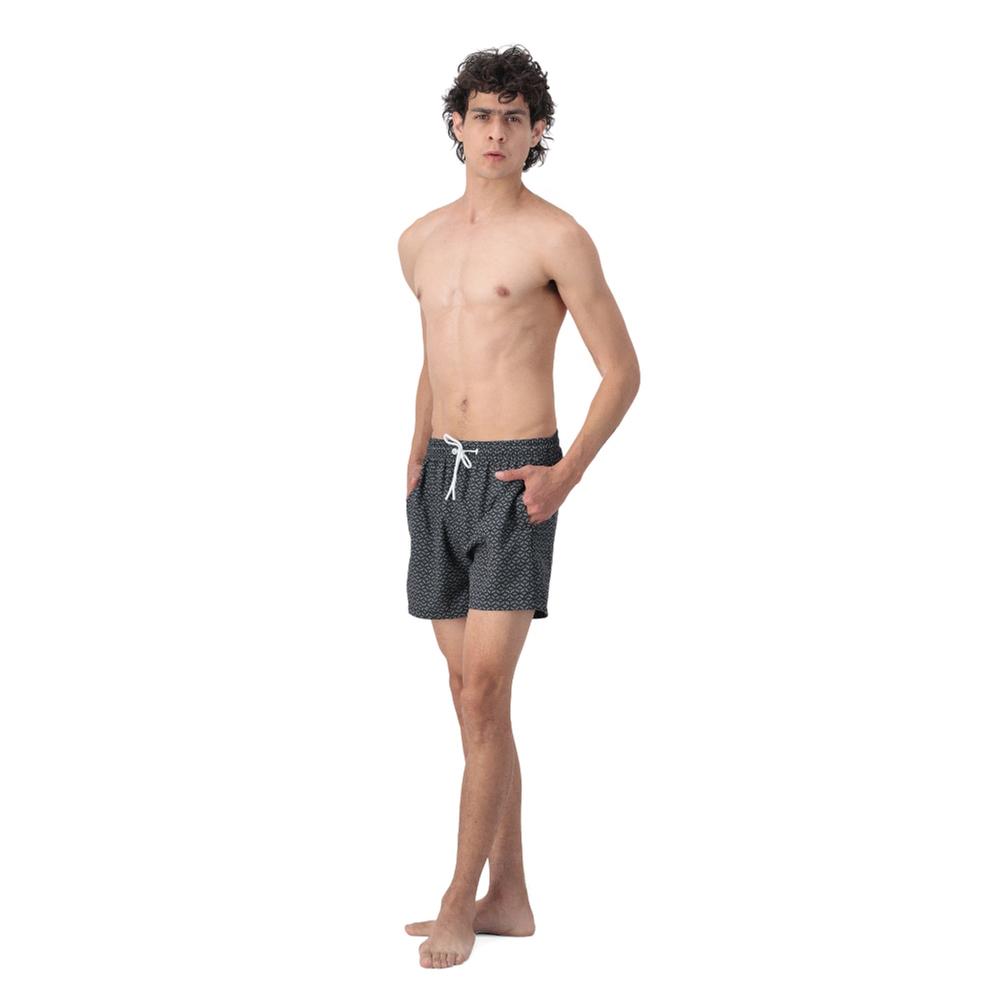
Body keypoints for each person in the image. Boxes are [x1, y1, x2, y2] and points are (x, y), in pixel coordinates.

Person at [398, 45, 640, 969]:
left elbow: (623, 371)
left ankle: (458, 900)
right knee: (472, 706)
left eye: (513, 118)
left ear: (537, 132)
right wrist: (415, 449)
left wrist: (564, 474)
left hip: (514, 481)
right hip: (440, 481)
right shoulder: (418, 239)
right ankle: (511, 897)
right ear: (456, 124)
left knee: (484, 689)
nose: (495, 132)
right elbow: (440, 350)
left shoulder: (557, 238)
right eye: (481, 115)